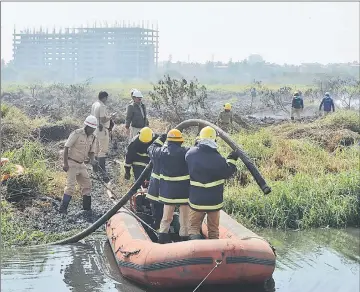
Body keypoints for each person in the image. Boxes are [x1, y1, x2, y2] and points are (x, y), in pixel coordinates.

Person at [185, 126, 238, 240]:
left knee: (193, 227)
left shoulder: (190, 154)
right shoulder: (218, 158)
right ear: (214, 140)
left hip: (197, 200)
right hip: (214, 202)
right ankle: (216, 254)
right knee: (213, 229)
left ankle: (196, 251)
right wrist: (231, 159)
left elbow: (189, 159)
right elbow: (228, 172)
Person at [148, 129, 190, 244]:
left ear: (169, 141)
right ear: (181, 141)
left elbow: (151, 149)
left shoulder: (161, 152)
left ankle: (162, 239)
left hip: (168, 193)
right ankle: (185, 241)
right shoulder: (186, 152)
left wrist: (160, 139)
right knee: (184, 220)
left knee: (166, 218)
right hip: (184, 193)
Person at [59, 115, 98, 213]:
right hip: (71, 162)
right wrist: (65, 163)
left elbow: (91, 152)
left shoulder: (93, 137)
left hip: (81, 164)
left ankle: (87, 209)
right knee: (70, 187)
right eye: (91, 128)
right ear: (87, 126)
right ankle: (63, 209)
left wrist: (92, 160)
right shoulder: (77, 133)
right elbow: (66, 147)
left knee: (87, 185)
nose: (92, 130)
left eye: (94, 128)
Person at [91, 91, 116, 182]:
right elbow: (103, 119)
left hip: (95, 129)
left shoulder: (94, 104)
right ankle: (103, 172)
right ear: (104, 97)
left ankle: (95, 170)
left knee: (96, 150)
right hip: (102, 130)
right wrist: (111, 117)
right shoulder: (101, 106)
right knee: (103, 150)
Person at [146, 133, 167, 229]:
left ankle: (157, 229)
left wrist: (161, 138)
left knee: (157, 212)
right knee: (165, 212)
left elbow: (151, 148)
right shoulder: (181, 153)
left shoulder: (157, 153)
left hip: (155, 190)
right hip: (168, 193)